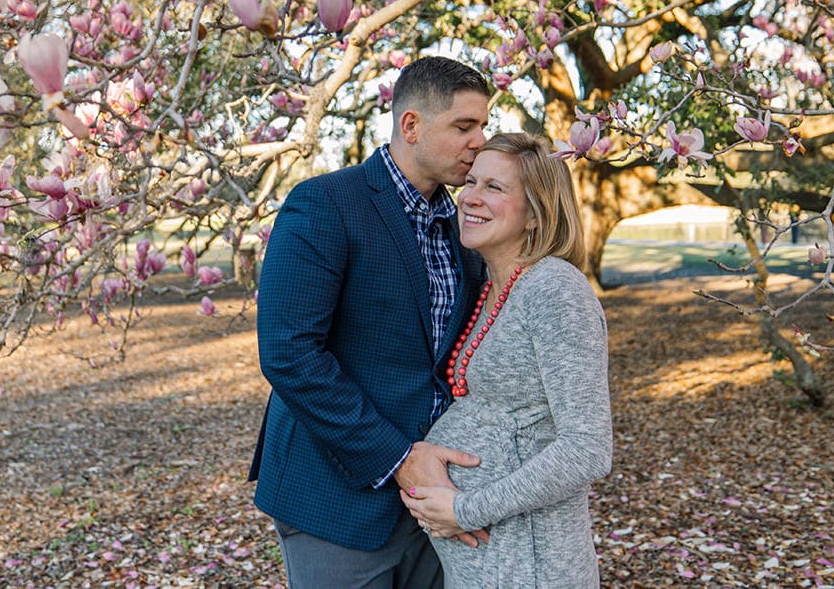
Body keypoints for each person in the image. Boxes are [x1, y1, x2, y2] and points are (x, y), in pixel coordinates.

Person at [250, 56, 491, 588]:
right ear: (411, 125)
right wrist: (399, 458)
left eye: (483, 126)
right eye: (464, 126)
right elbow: (289, 354)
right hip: (334, 497)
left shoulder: (465, 225)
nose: (479, 141)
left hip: (434, 504)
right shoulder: (324, 204)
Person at [402, 132, 613, 588]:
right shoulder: (492, 288)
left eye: (494, 187)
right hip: (491, 564)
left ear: (536, 213)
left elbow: (588, 449)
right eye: (471, 182)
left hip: (530, 565)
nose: (470, 198)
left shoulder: (555, 290)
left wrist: (466, 509)